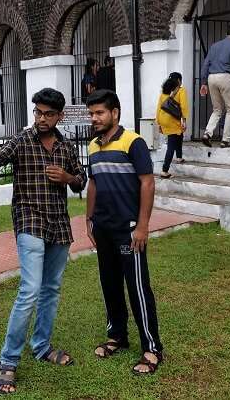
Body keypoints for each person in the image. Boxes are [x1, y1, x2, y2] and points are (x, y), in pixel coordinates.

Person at [0, 88, 87, 395]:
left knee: (52, 288)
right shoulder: (22, 140)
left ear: (59, 116)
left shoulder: (66, 146)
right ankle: (7, 360)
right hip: (29, 220)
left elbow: (81, 180)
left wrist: (68, 178)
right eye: (38, 112)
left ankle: (41, 346)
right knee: (30, 289)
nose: (42, 118)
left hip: (59, 224)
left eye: (48, 114)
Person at [85, 89, 165, 375]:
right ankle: (117, 336)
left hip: (128, 229)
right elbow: (92, 183)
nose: (94, 118)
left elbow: (147, 183)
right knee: (109, 284)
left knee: (138, 288)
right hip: (103, 227)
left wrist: (142, 226)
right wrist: (88, 218)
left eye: (99, 113)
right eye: (91, 113)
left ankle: (152, 348)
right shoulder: (93, 146)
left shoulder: (134, 142)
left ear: (115, 113)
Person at [199, 23, 230, 148]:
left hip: (211, 78)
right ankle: (226, 140)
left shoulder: (214, 46)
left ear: (227, 33)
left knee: (217, 109)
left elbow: (205, 65)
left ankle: (207, 134)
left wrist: (203, 82)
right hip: (225, 77)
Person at [156, 74, 189, 178]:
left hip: (163, 119)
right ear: (178, 81)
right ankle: (164, 170)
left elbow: (158, 108)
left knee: (179, 134)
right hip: (172, 120)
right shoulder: (180, 90)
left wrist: (159, 123)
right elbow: (183, 106)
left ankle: (179, 157)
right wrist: (184, 120)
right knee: (171, 145)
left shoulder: (163, 93)